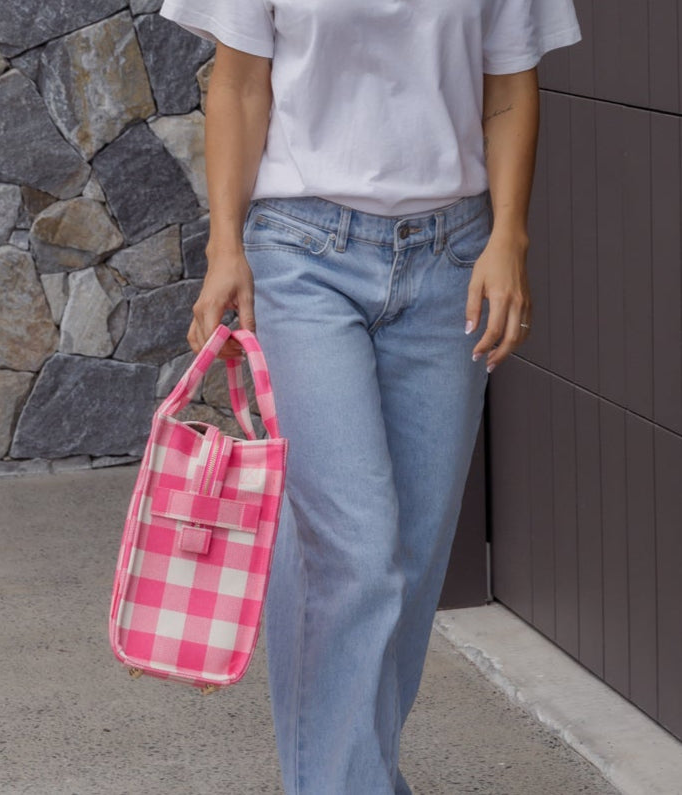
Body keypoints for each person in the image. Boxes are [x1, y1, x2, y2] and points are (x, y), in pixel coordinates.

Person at [159, 2, 581, 793]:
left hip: (452, 257)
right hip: (300, 254)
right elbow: (240, 83)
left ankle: (350, 773)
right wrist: (224, 248)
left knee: (410, 562)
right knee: (351, 554)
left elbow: (509, 88)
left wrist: (507, 237)